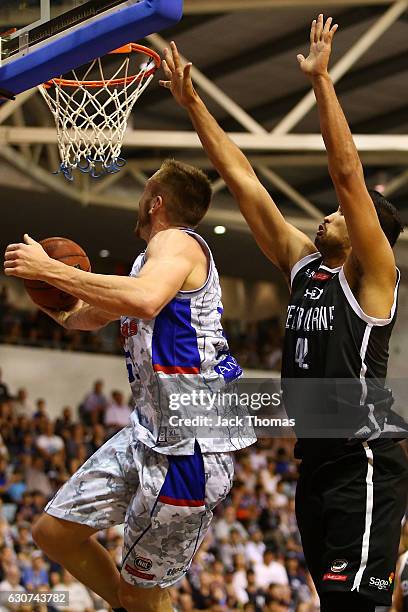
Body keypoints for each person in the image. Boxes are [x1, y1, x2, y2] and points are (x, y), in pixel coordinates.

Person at [159, 21, 408, 612]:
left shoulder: (372, 278)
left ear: (371, 232)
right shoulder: (305, 267)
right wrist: (193, 104)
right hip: (314, 464)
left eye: (342, 214)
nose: (327, 216)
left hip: (362, 460)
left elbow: (347, 176)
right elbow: (244, 179)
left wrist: (322, 83)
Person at [3, 158, 256, 612]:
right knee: (53, 533)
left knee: (143, 597)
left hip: (191, 452)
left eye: (144, 192)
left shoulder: (178, 244)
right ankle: (127, 604)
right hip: (147, 436)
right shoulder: (148, 264)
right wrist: (47, 291)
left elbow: (143, 301)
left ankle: (132, 603)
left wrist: (55, 269)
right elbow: (83, 316)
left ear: (155, 202)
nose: (139, 200)